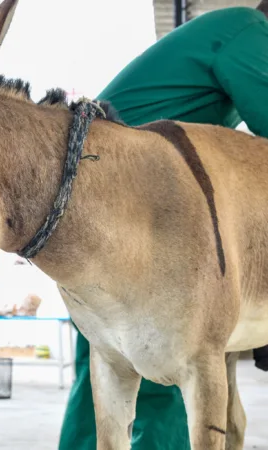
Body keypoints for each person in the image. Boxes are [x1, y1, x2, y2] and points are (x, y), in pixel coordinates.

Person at [59, 2, 268, 449]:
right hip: (137, 197)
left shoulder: (217, 30)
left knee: (105, 362)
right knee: (166, 364)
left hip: (99, 195)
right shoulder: (246, 29)